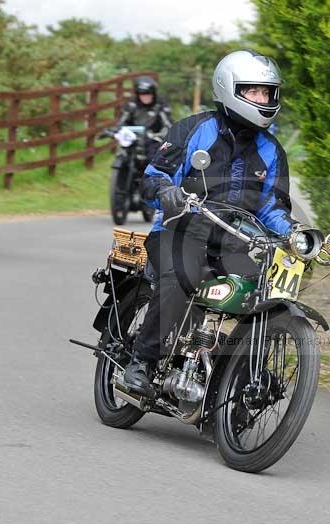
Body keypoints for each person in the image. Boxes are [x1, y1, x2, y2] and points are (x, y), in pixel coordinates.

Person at [122, 50, 298, 397]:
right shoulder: (194, 129)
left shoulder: (272, 151)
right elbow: (152, 178)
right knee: (180, 280)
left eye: (267, 93)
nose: (262, 99)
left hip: (234, 244)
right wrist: (167, 192)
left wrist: (292, 232)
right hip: (180, 232)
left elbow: (272, 206)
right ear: (228, 87)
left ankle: (241, 375)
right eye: (253, 91)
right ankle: (143, 360)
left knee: (265, 295)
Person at [115, 75, 173, 163]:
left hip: (154, 140)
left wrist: (163, 133)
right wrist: (117, 130)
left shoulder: (160, 104)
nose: (145, 96)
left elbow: (168, 123)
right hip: (133, 139)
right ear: (137, 94)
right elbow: (121, 122)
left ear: (153, 93)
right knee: (122, 155)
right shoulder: (131, 104)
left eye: (148, 93)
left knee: (157, 159)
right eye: (142, 93)